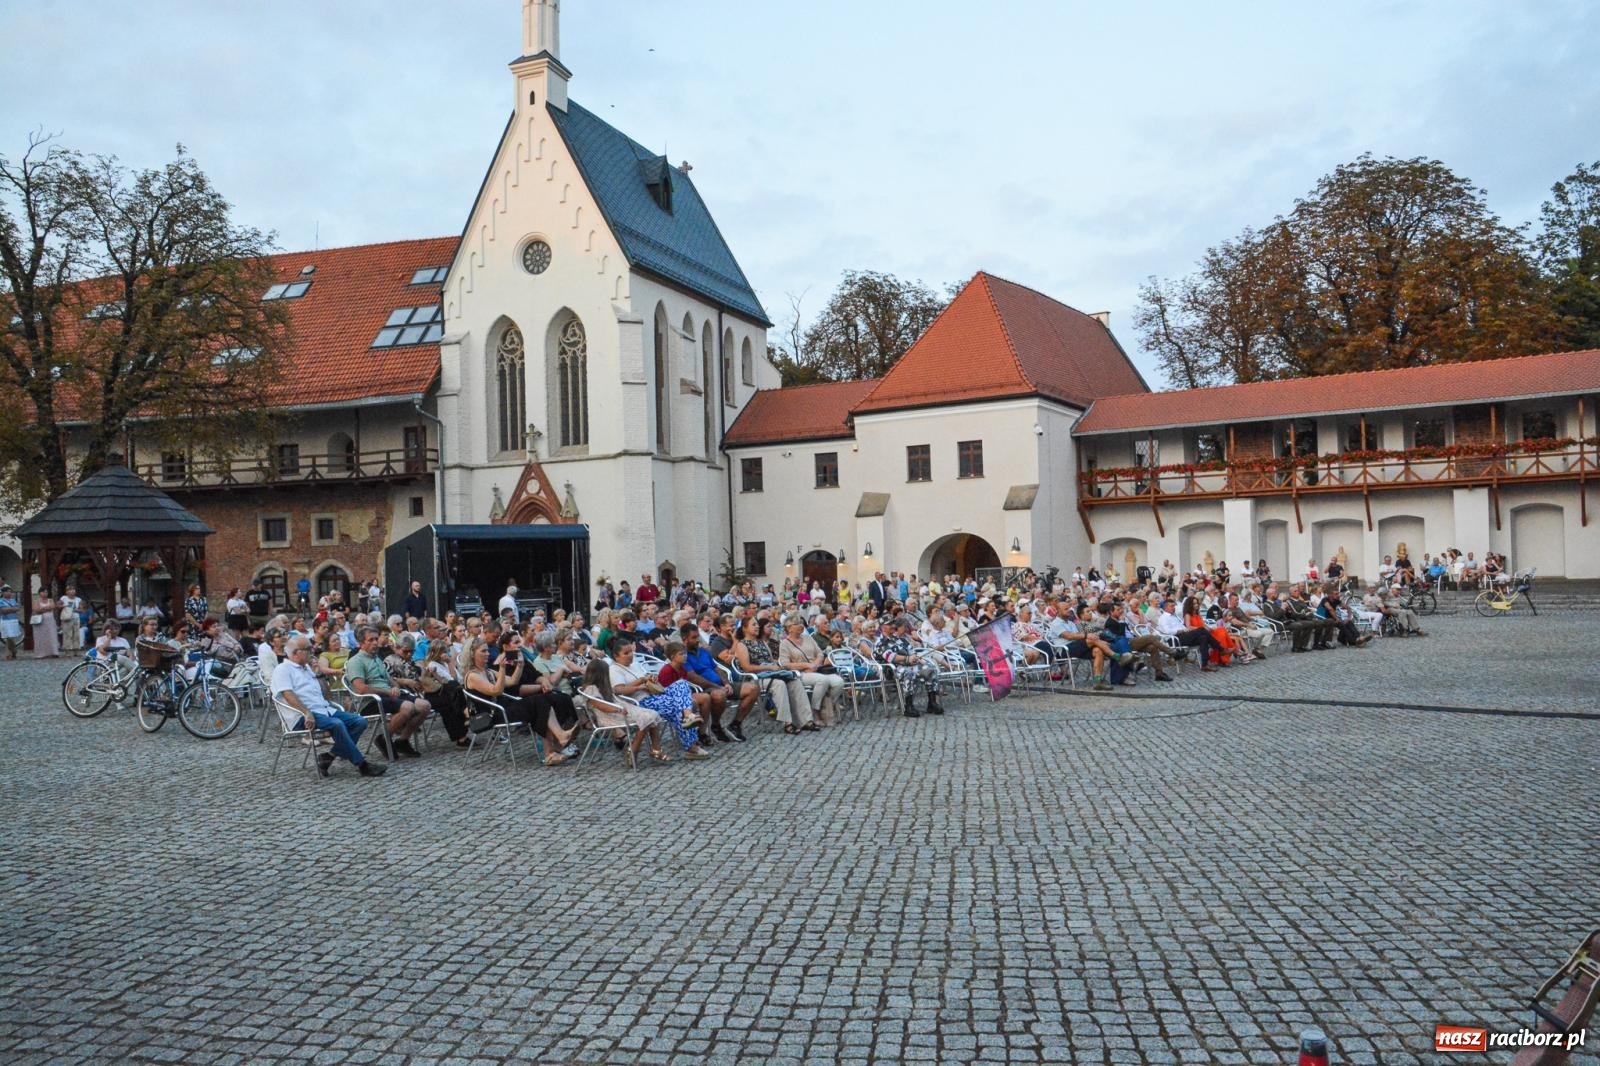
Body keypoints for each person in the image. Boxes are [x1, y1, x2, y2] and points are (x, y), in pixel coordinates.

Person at [273, 634, 385, 778]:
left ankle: (329, 756)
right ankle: (362, 765)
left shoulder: (307, 668)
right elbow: (287, 694)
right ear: (296, 653)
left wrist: (319, 676)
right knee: (337, 724)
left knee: (360, 721)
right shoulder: (283, 669)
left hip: (324, 710)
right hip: (301, 716)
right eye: (308, 649)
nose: (312, 652)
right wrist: (306, 712)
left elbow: (327, 696)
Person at [608, 635, 709, 760]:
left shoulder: (635, 664)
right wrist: (640, 685)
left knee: (681, 684)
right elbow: (619, 690)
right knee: (679, 707)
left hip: (653, 694)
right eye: (626, 653)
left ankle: (689, 718)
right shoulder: (614, 669)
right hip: (639, 702)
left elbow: (646, 679)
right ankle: (691, 744)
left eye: (631, 651)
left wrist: (652, 679)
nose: (630, 655)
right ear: (616, 656)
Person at [344, 625, 432, 760]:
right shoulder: (355, 661)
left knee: (424, 706)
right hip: (370, 700)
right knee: (408, 707)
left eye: (376, 639)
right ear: (361, 643)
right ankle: (384, 738)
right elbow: (361, 688)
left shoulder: (376, 658)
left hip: (387, 695)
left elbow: (389, 679)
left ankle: (402, 741)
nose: (375, 642)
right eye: (370, 640)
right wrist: (388, 691)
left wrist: (396, 687)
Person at [577, 658, 664, 768]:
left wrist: (638, 686)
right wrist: (617, 709)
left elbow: (617, 691)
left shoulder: (604, 687)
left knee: (652, 714)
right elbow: (600, 705)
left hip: (620, 709)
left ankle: (655, 749)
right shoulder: (591, 689)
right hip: (610, 716)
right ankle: (634, 750)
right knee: (646, 718)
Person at [734, 614, 812, 735]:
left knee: (794, 681)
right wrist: (769, 667)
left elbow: (771, 661)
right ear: (744, 628)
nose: (757, 627)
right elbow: (747, 667)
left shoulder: (762, 642)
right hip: (754, 679)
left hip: (770, 675)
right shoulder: (741, 645)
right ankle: (787, 723)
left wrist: (778, 668)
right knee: (779, 684)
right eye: (753, 625)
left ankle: (806, 720)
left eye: (757, 624)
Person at [777, 614, 844, 726]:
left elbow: (820, 654)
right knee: (822, 680)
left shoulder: (808, 638)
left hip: (817, 670)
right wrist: (806, 665)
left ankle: (825, 707)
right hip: (801, 673)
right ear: (789, 628)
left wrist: (815, 665)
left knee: (839, 682)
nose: (801, 625)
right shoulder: (785, 644)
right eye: (797, 623)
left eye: (801, 623)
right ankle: (814, 711)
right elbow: (785, 664)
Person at [876, 616, 942, 716]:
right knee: (908, 672)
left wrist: (916, 658)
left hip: (908, 665)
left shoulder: (900, 639)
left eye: (893, 623)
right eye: (889, 624)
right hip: (891, 669)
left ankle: (932, 703)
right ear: (882, 627)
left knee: (929, 669)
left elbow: (911, 651)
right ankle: (908, 706)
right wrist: (907, 659)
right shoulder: (881, 642)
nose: (893, 626)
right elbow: (890, 657)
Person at [33, 587, 61, 659]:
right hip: (41, 620)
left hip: (50, 620)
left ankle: (53, 652)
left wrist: (43, 609)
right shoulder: (36, 601)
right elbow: (36, 610)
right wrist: (47, 608)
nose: (45, 593)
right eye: (43, 592)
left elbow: (53, 607)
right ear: (39, 593)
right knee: (41, 636)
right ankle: (41, 653)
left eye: (46, 592)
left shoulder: (50, 600)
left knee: (52, 635)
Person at [58, 586, 84, 654]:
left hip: (76, 618)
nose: (72, 591)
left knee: (76, 635)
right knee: (67, 634)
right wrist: (65, 606)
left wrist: (74, 609)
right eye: (70, 590)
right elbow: (58, 605)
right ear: (67, 592)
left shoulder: (78, 599)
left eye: (73, 589)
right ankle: (68, 650)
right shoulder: (64, 598)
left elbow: (81, 609)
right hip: (67, 617)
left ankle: (76, 650)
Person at [0, 584, 23, 659]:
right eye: (7, 592)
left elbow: (17, 608)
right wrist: (12, 609)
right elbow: (3, 610)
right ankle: (14, 650)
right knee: (8, 637)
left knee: (11, 637)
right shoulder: (1, 601)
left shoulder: (13, 600)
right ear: (3, 593)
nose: (9, 593)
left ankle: (9, 654)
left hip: (13, 620)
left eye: (10, 591)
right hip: (5, 621)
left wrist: (9, 609)